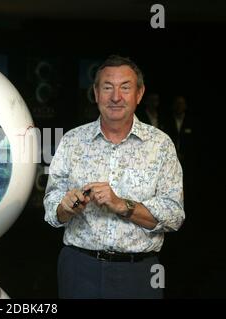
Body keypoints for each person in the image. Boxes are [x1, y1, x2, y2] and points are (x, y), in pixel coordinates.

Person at [43, 55, 185, 299]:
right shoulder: (72, 141)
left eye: (125, 88)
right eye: (107, 87)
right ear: (96, 94)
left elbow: (174, 215)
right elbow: (51, 207)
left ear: (139, 94)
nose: (116, 97)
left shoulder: (161, 145)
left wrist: (122, 205)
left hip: (139, 273)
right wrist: (64, 207)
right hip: (79, 268)